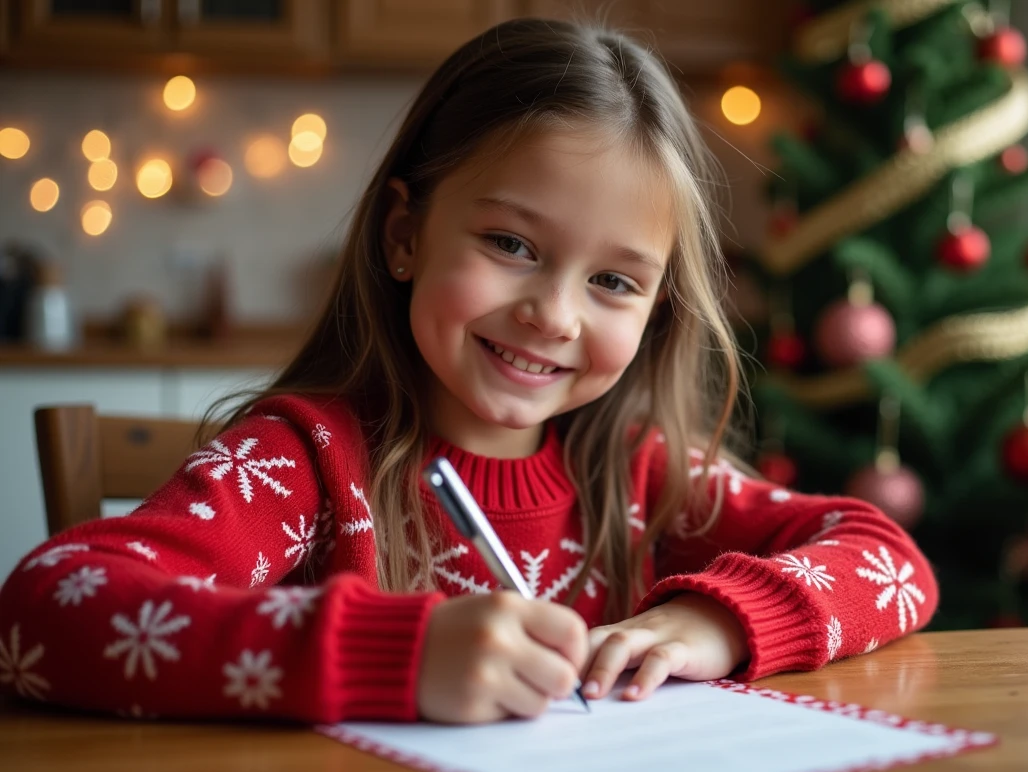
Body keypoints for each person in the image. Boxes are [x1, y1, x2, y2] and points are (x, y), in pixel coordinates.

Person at [0, 18, 937, 725]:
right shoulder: (304, 463)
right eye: (511, 243)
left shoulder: (641, 470)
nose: (555, 314)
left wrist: (716, 624)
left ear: (657, 310)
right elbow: (43, 612)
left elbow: (892, 561)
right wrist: (391, 656)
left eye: (614, 280)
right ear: (406, 235)